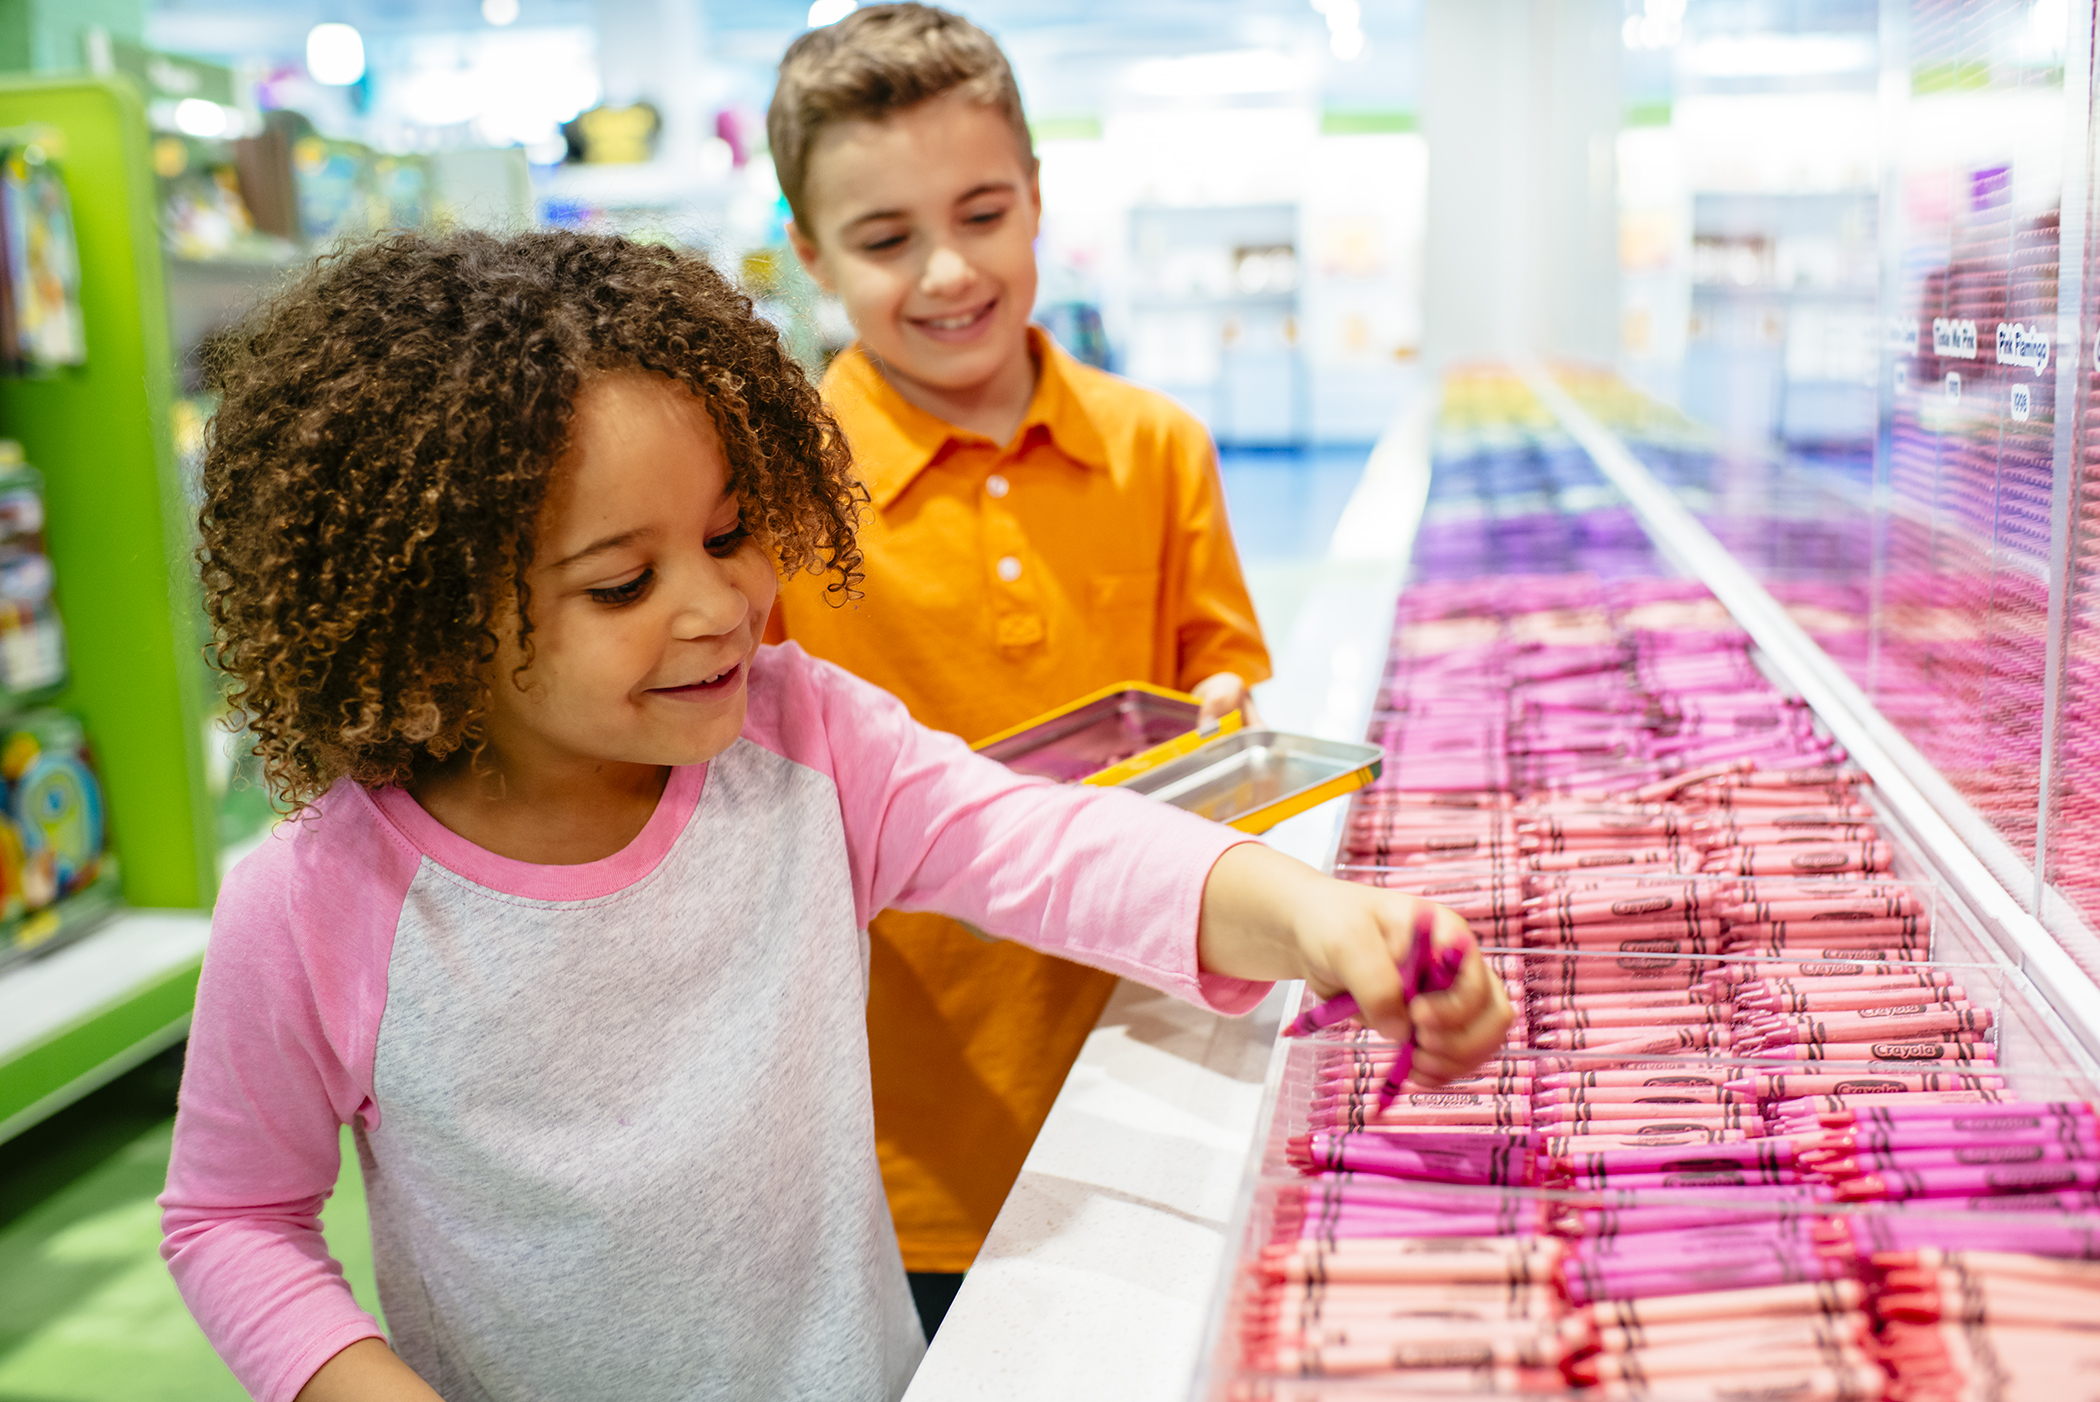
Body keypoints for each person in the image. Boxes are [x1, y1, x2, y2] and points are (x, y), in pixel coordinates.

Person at [156, 229, 1510, 1402]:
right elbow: (234, 1217)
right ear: (438, 622)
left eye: (732, 531)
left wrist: (1317, 916)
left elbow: (1046, 841)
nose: (718, 603)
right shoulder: (316, 898)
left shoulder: (804, 739)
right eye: (623, 582)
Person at [766, 5, 1275, 1327]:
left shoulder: (1158, 449)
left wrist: (1226, 722)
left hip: (1153, 1057)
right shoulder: (766, 493)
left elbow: (1222, 681)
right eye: (885, 240)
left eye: (982, 213)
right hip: (893, 1139)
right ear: (810, 253)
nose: (947, 272)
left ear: (1040, 199)